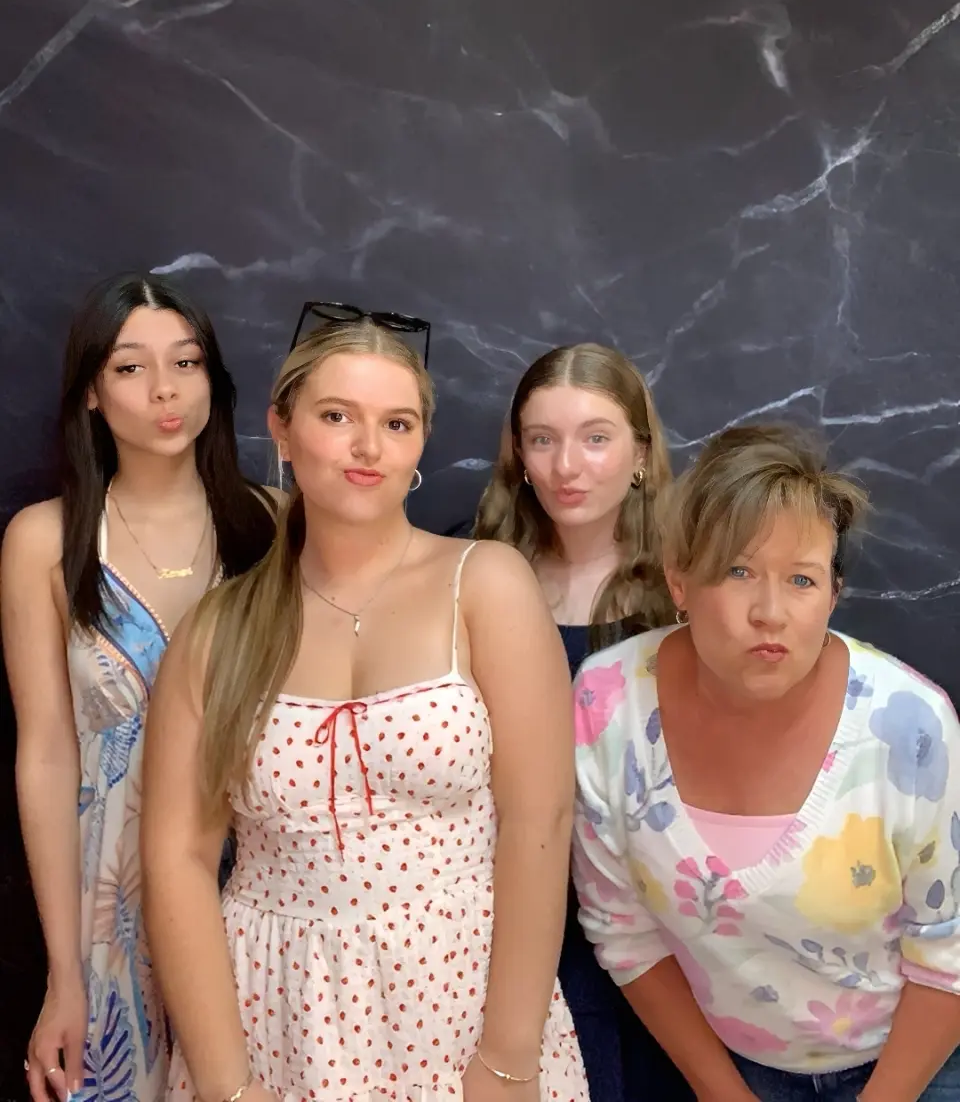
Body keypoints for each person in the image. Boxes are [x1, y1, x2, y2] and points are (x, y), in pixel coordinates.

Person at [141, 320, 587, 1102]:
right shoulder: (217, 632)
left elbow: (540, 820)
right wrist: (226, 1085)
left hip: (459, 1005)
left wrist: (510, 1057)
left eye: (397, 424)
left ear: (420, 445)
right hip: (272, 1015)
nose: (368, 447)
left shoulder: (486, 584)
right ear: (282, 427)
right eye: (337, 416)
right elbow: (177, 860)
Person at [572, 423, 960, 1101]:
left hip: (915, 1063)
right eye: (738, 571)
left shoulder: (910, 726)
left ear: (833, 597)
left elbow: (949, 958)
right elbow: (623, 933)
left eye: (802, 580)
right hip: (732, 1065)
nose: (770, 612)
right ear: (681, 581)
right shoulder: (608, 706)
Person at [1, 274, 280, 1102]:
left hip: (255, 894)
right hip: (108, 910)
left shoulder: (277, 524)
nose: (165, 390)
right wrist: (64, 973)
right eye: (130, 368)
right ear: (91, 390)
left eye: (186, 362)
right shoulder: (45, 541)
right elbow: (49, 757)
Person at [475, 342, 688, 1101]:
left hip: (658, 926)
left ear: (639, 452)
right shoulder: (480, 580)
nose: (568, 465)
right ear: (519, 457)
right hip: (518, 914)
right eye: (543, 439)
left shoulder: (687, 586)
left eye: (595, 437)